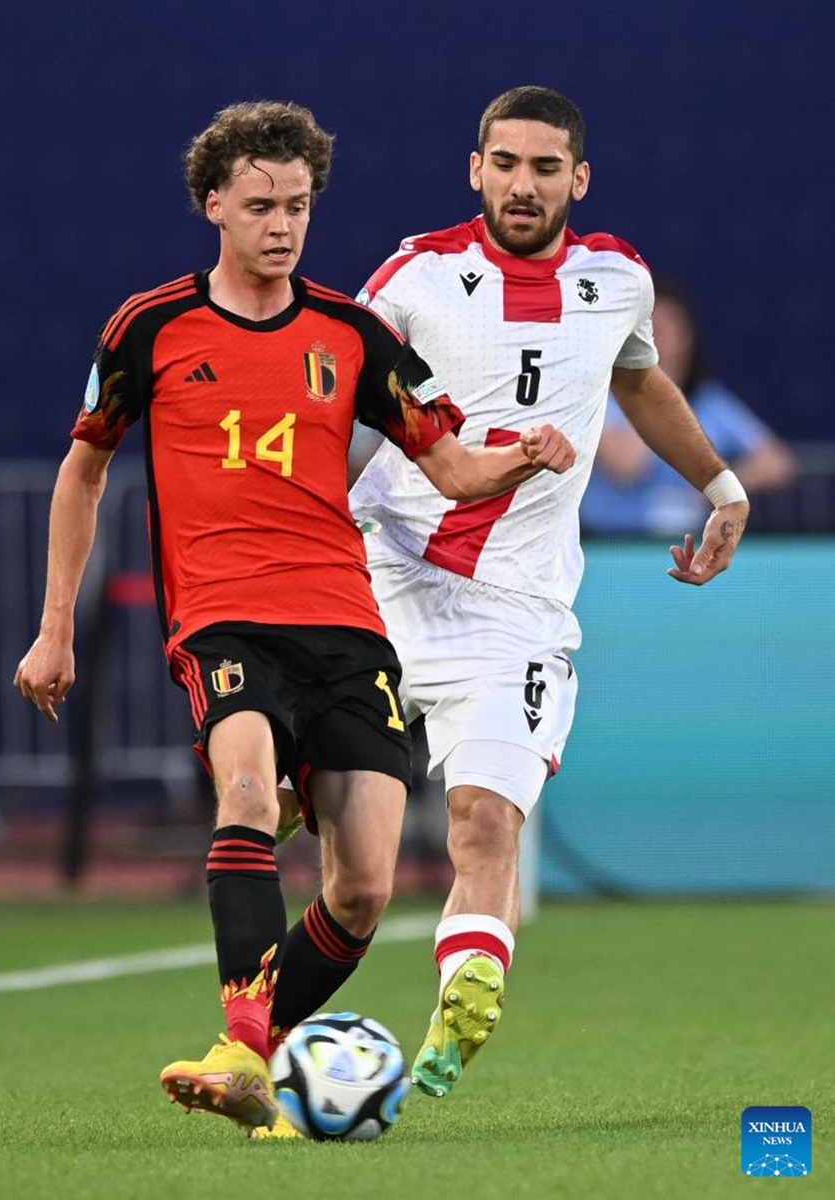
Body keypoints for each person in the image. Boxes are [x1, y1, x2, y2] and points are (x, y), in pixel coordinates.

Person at [13, 99, 576, 1138]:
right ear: (214, 204)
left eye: (301, 206)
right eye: (263, 205)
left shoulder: (353, 335)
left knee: (363, 886)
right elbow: (83, 469)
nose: (283, 225)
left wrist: (519, 456)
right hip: (224, 617)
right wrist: (55, 629)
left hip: (346, 623)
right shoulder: (150, 327)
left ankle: (246, 1056)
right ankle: (239, 1037)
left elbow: (447, 467)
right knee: (243, 785)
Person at [349, 85, 750, 1099]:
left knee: (485, 818)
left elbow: (639, 380)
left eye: (545, 167)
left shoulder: (618, 280)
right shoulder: (413, 277)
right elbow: (336, 407)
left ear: (579, 177)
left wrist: (719, 484)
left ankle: (464, 999)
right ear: (474, 168)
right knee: (334, 831)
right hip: (387, 574)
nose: (523, 185)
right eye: (506, 163)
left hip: (515, 607)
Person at [582, 277, 797, 533]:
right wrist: (657, 385)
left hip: (689, 547)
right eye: (651, 329)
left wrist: (716, 490)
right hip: (611, 545)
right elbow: (626, 466)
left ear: (687, 338)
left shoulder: (710, 401)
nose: (659, 339)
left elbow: (777, 464)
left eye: (667, 329)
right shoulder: (603, 395)